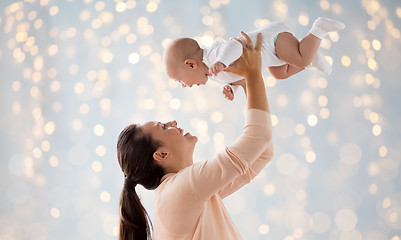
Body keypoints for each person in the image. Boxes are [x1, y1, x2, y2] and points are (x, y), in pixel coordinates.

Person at [117, 32, 273, 239]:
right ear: (161, 155)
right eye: (163, 127)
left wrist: (245, 82)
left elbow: (262, 152)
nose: (172, 122)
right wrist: (252, 75)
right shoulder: (184, 189)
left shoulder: (188, 192)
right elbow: (259, 139)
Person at [163, 17, 345, 100]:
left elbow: (234, 46)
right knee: (281, 74)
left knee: (300, 59)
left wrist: (221, 62)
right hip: (273, 58)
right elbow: (239, 74)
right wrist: (232, 89)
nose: (184, 85)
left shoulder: (212, 57)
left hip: (273, 42)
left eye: (180, 80)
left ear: (191, 64)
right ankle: (311, 55)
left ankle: (318, 30)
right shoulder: (212, 74)